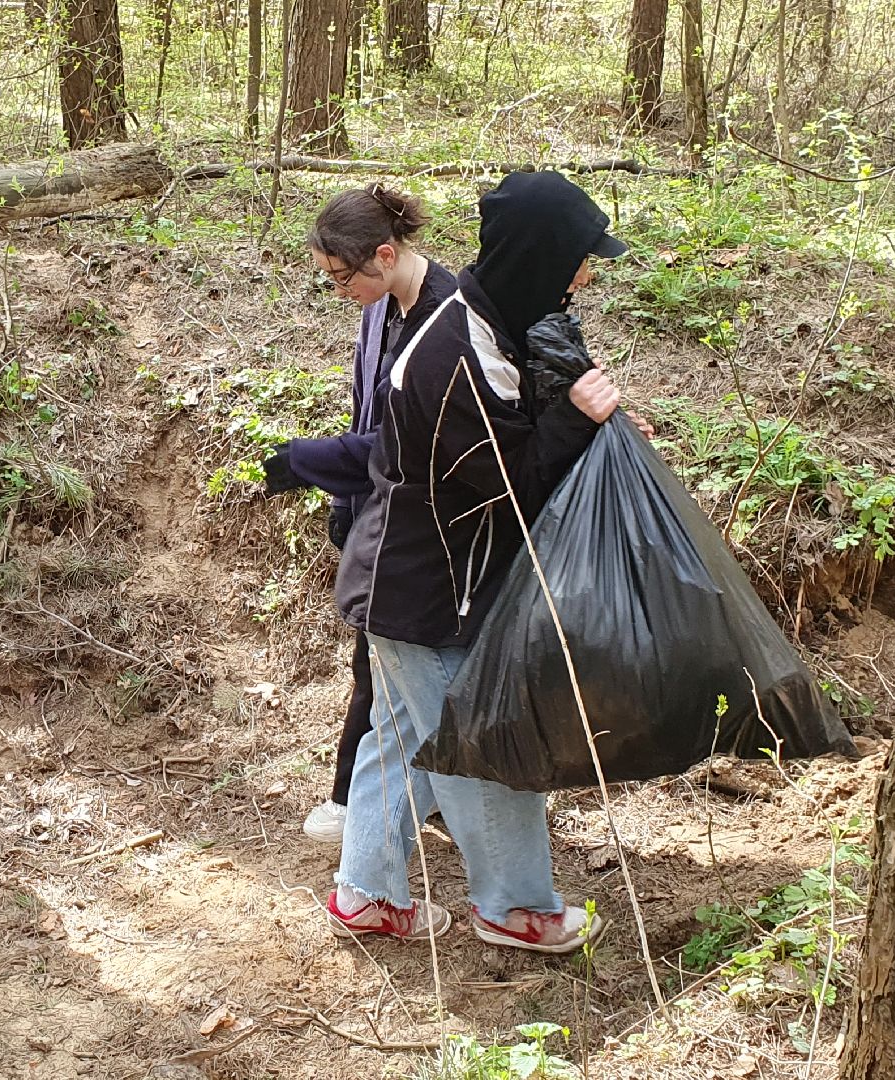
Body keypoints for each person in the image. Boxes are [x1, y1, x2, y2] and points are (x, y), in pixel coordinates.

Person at [326, 171, 636, 953]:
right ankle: (516, 909)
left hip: (409, 582)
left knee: (399, 737)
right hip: (425, 592)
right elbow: (506, 484)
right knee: (480, 744)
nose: (588, 274)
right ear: (541, 255)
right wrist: (573, 417)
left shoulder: (481, 325)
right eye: (579, 258)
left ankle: (366, 895)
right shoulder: (455, 352)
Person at [263, 184, 456, 843]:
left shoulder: (446, 318)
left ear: (384, 254)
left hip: (435, 531)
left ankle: (361, 802)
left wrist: (307, 463)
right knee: (380, 664)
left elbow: (410, 443)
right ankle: (401, 801)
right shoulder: (379, 308)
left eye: (342, 278)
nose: (339, 292)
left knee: (399, 670)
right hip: (383, 518)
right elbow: (365, 413)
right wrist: (345, 505)